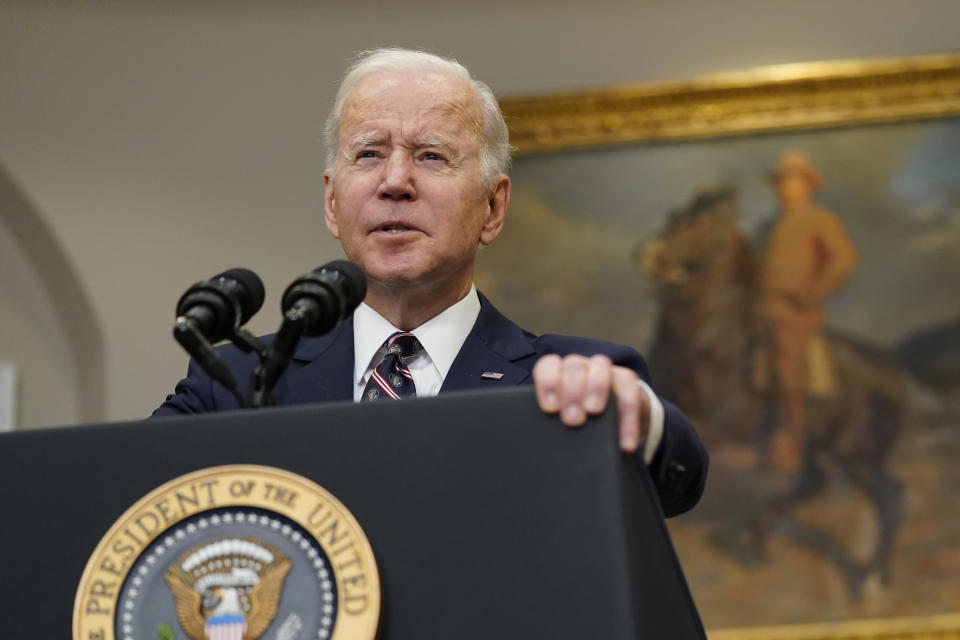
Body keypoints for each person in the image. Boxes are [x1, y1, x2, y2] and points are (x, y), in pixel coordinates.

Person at [154, 48, 707, 517]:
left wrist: (633, 412)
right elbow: (117, 490)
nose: (395, 181)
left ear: (493, 208)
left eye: (431, 156)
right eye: (369, 154)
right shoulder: (234, 383)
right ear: (331, 202)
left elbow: (674, 480)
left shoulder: (570, 382)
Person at [758, 150, 858, 471]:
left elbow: (843, 258)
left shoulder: (819, 219)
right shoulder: (770, 225)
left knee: (789, 367)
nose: (786, 187)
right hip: (764, 309)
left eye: (793, 180)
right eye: (782, 181)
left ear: (808, 185)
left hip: (796, 313)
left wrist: (812, 293)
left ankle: (792, 443)